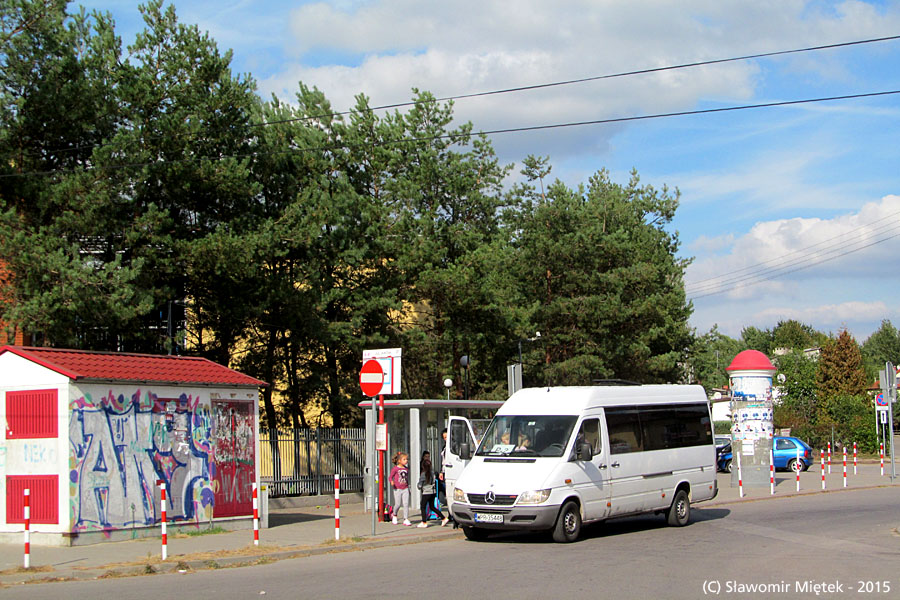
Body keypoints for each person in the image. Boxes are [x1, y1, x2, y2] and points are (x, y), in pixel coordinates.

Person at [417, 456, 448, 527]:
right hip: (433, 492)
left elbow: (420, 485)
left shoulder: (423, 474)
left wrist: (419, 486)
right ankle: (443, 518)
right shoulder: (433, 473)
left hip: (426, 492)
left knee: (423, 507)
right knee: (432, 506)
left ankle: (424, 522)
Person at [438, 428, 457, 528]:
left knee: (451, 493)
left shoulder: (454, 446)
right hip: (445, 470)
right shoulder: (445, 447)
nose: (445, 439)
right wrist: (441, 471)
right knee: (447, 493)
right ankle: (450, 514)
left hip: (452, 471)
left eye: (447, 437)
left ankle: (453, 515)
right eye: (444, 438)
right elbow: (443, 460)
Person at [389, 451, 411, 526]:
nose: (406, 461)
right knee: (398, 504)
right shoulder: (395, 469)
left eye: (406, 459)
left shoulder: (407, 469)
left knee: (406, 504)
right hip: (397, 488)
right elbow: (390, 477)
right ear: (399, 461)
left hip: (405, 488)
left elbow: (407, 478)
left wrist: (408, 487)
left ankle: (406, 518)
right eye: (404, 459)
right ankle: (394, 514)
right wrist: (392, 481)